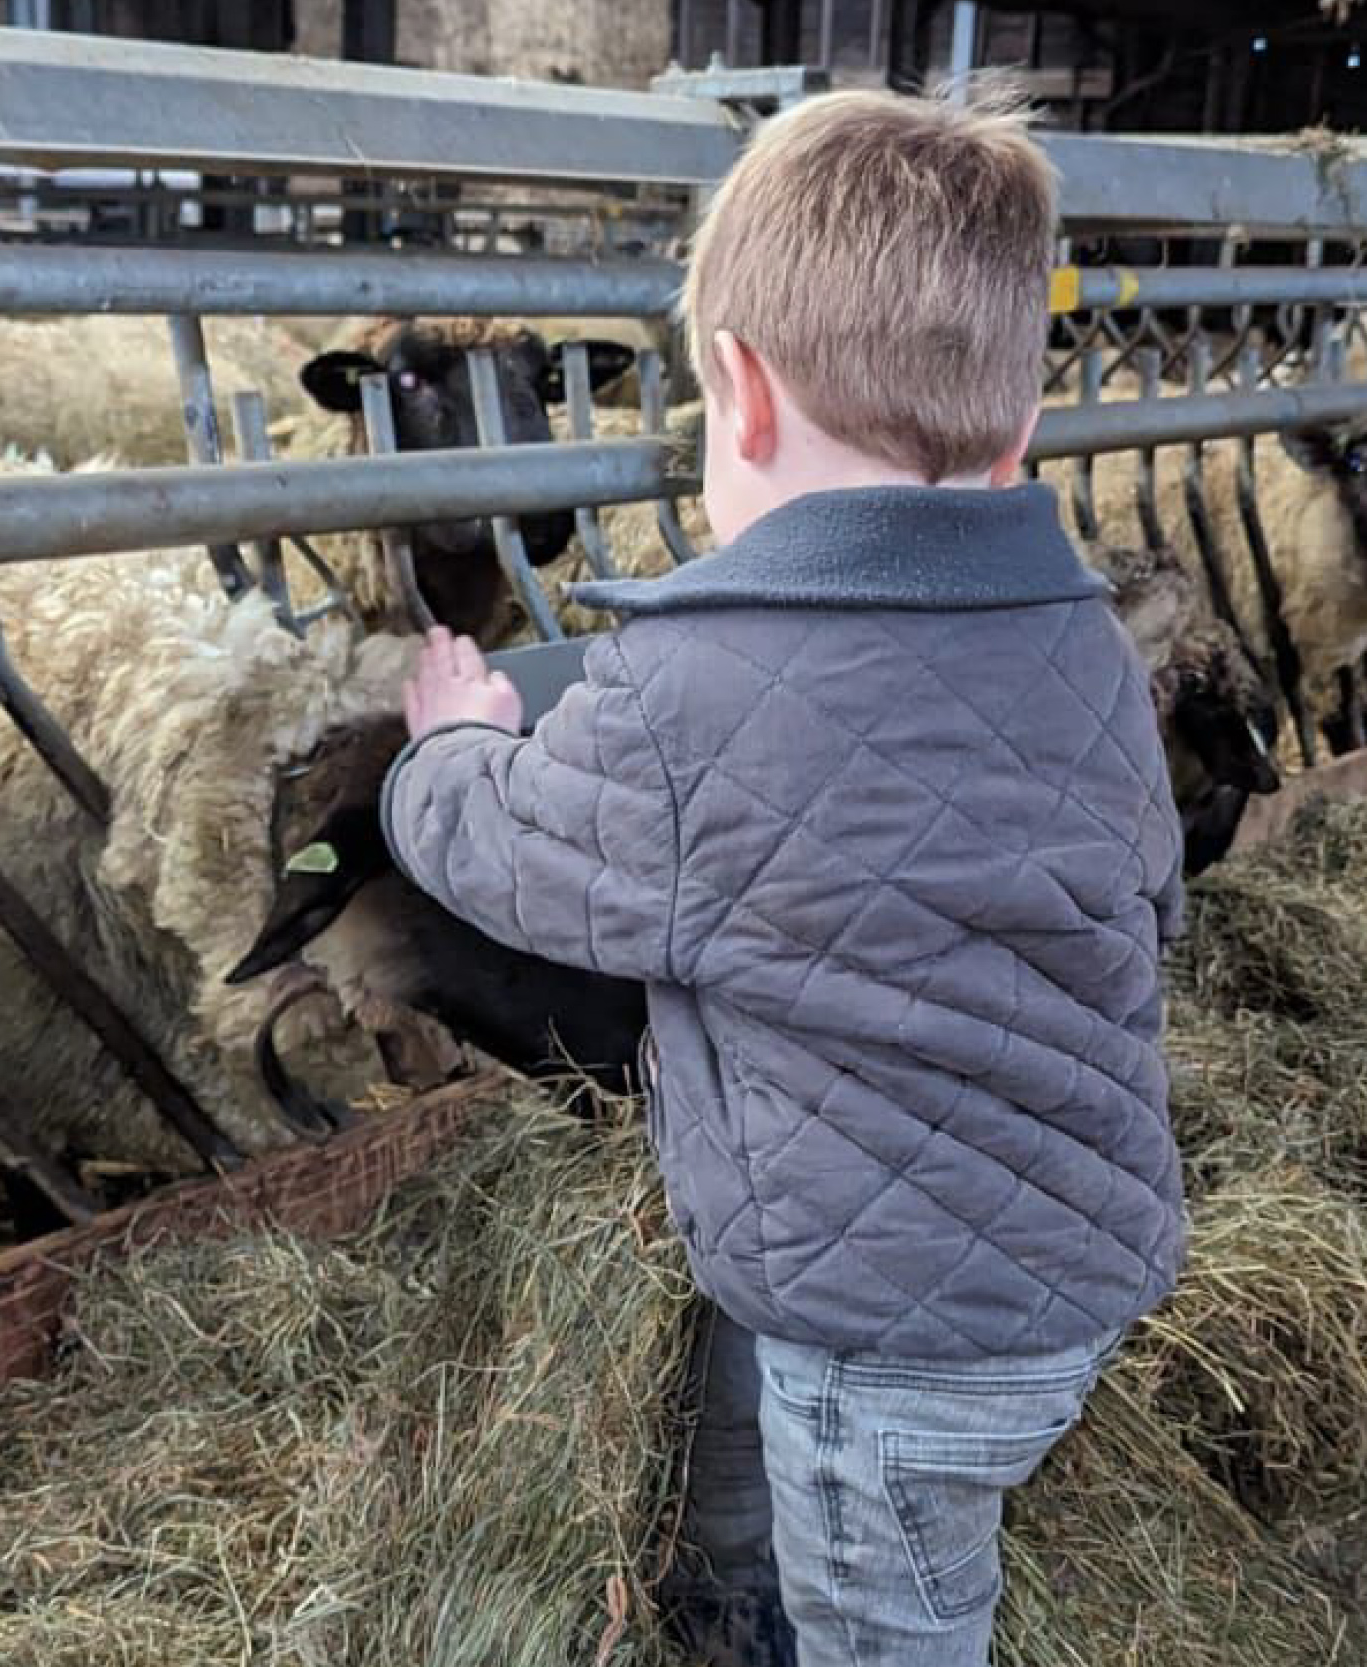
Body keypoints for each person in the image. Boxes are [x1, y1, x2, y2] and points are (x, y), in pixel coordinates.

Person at [376, 84, 1186, 1667]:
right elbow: (1151, 895)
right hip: (1076, 1273)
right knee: (807, 1432)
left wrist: (446, 748)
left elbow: (518, 856)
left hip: (872, 1340)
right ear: (1019, 420)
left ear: (737, 394)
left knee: (889, 1626)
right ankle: (729, 1583)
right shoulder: (1085, 637)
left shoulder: (693, 681)